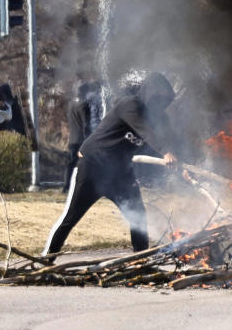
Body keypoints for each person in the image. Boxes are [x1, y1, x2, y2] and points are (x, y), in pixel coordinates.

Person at [43, 72, 181, 256]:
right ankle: (48, 257)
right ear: (150, 94)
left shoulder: (158, 120)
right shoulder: (129, 105)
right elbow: (146, 132)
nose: (161, 105)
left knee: (137, 216)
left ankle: (141, 260)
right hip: (93, 167)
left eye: (165, 101)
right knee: (71, 217)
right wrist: (165, 151)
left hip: (121, 174)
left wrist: (180, 164)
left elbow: (170, 140)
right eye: (158, 99)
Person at [63, 81, 103, 192]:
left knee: (71, 164)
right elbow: (86, 124)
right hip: (82, 140)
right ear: (84, 92)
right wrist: (90, 138)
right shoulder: (83, 105)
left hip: (72, 139)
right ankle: (86, 186)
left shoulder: (71, 104)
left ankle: (66, 186)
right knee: (87, 164)